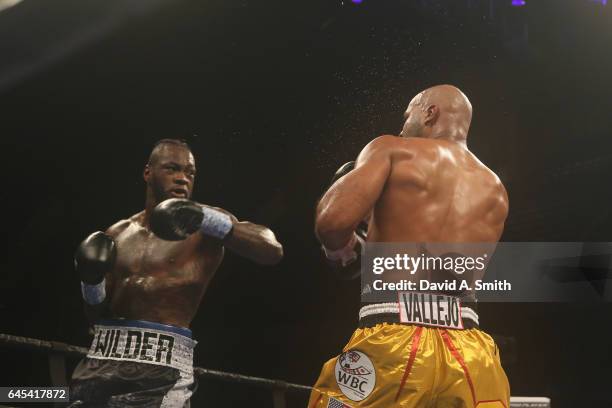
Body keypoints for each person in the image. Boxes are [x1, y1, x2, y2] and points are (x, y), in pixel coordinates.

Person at [309, 85, 510, 407]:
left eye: (407, 115)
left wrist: (344, 251)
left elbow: (332, 223)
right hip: (472, 355)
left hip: (395, 341)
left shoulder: (392, 150)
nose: (402, 127)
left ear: (429, 112)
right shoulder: (495, 187)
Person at [70, 138, 283, 407]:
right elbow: (96, 316)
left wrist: (204, 218)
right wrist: (91, 282)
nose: (182, 178)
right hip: (102, 357)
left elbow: (271, 249)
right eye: (172, 169)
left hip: (162, 366)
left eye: (189, 172)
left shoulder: (202, 228)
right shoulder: (117, 233)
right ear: (148, 172)